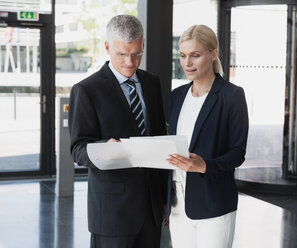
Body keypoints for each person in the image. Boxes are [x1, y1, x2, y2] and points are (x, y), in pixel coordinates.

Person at [68, 15, 167, 248]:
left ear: (142, 45)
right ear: (107, 47)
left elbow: (159, 138)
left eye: (136, 54)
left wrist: (164, 197)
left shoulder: (153, 84)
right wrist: (104, 148)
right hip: (113, 212)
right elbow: (77, 148)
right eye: (122, 54)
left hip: (151, 210)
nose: (130, 62)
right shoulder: (86, 90)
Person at [166, 24, 249, 248]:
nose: (187, 63)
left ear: (213, 54)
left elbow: (237, 152)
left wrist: (205, 166)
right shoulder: (177, 96)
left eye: (195, 55)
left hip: (214, 202)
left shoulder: (232, 96)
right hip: (177, 202)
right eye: (183, 56)